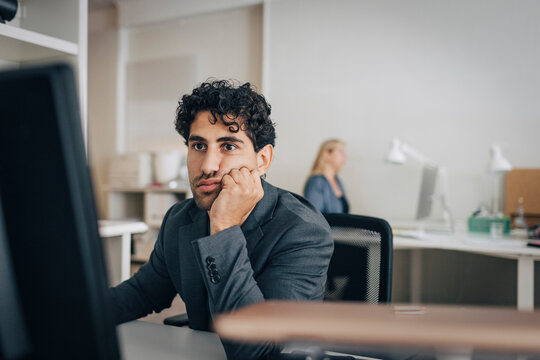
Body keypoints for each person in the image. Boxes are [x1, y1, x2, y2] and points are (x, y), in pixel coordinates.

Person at [109, 80, 333, 360]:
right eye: (199, 145)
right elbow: (142, 292)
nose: (207, 166)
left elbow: (258, 351)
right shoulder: (181, 219)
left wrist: (224, 228)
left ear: (262, 160)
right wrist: (66, 314)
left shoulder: (302, 231)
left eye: (228, 146)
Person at [303, 139, 349, 214]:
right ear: (326, 154)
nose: (345, 157)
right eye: (341, 152)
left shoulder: (338, 181)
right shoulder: (316, 181)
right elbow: (315, 216)